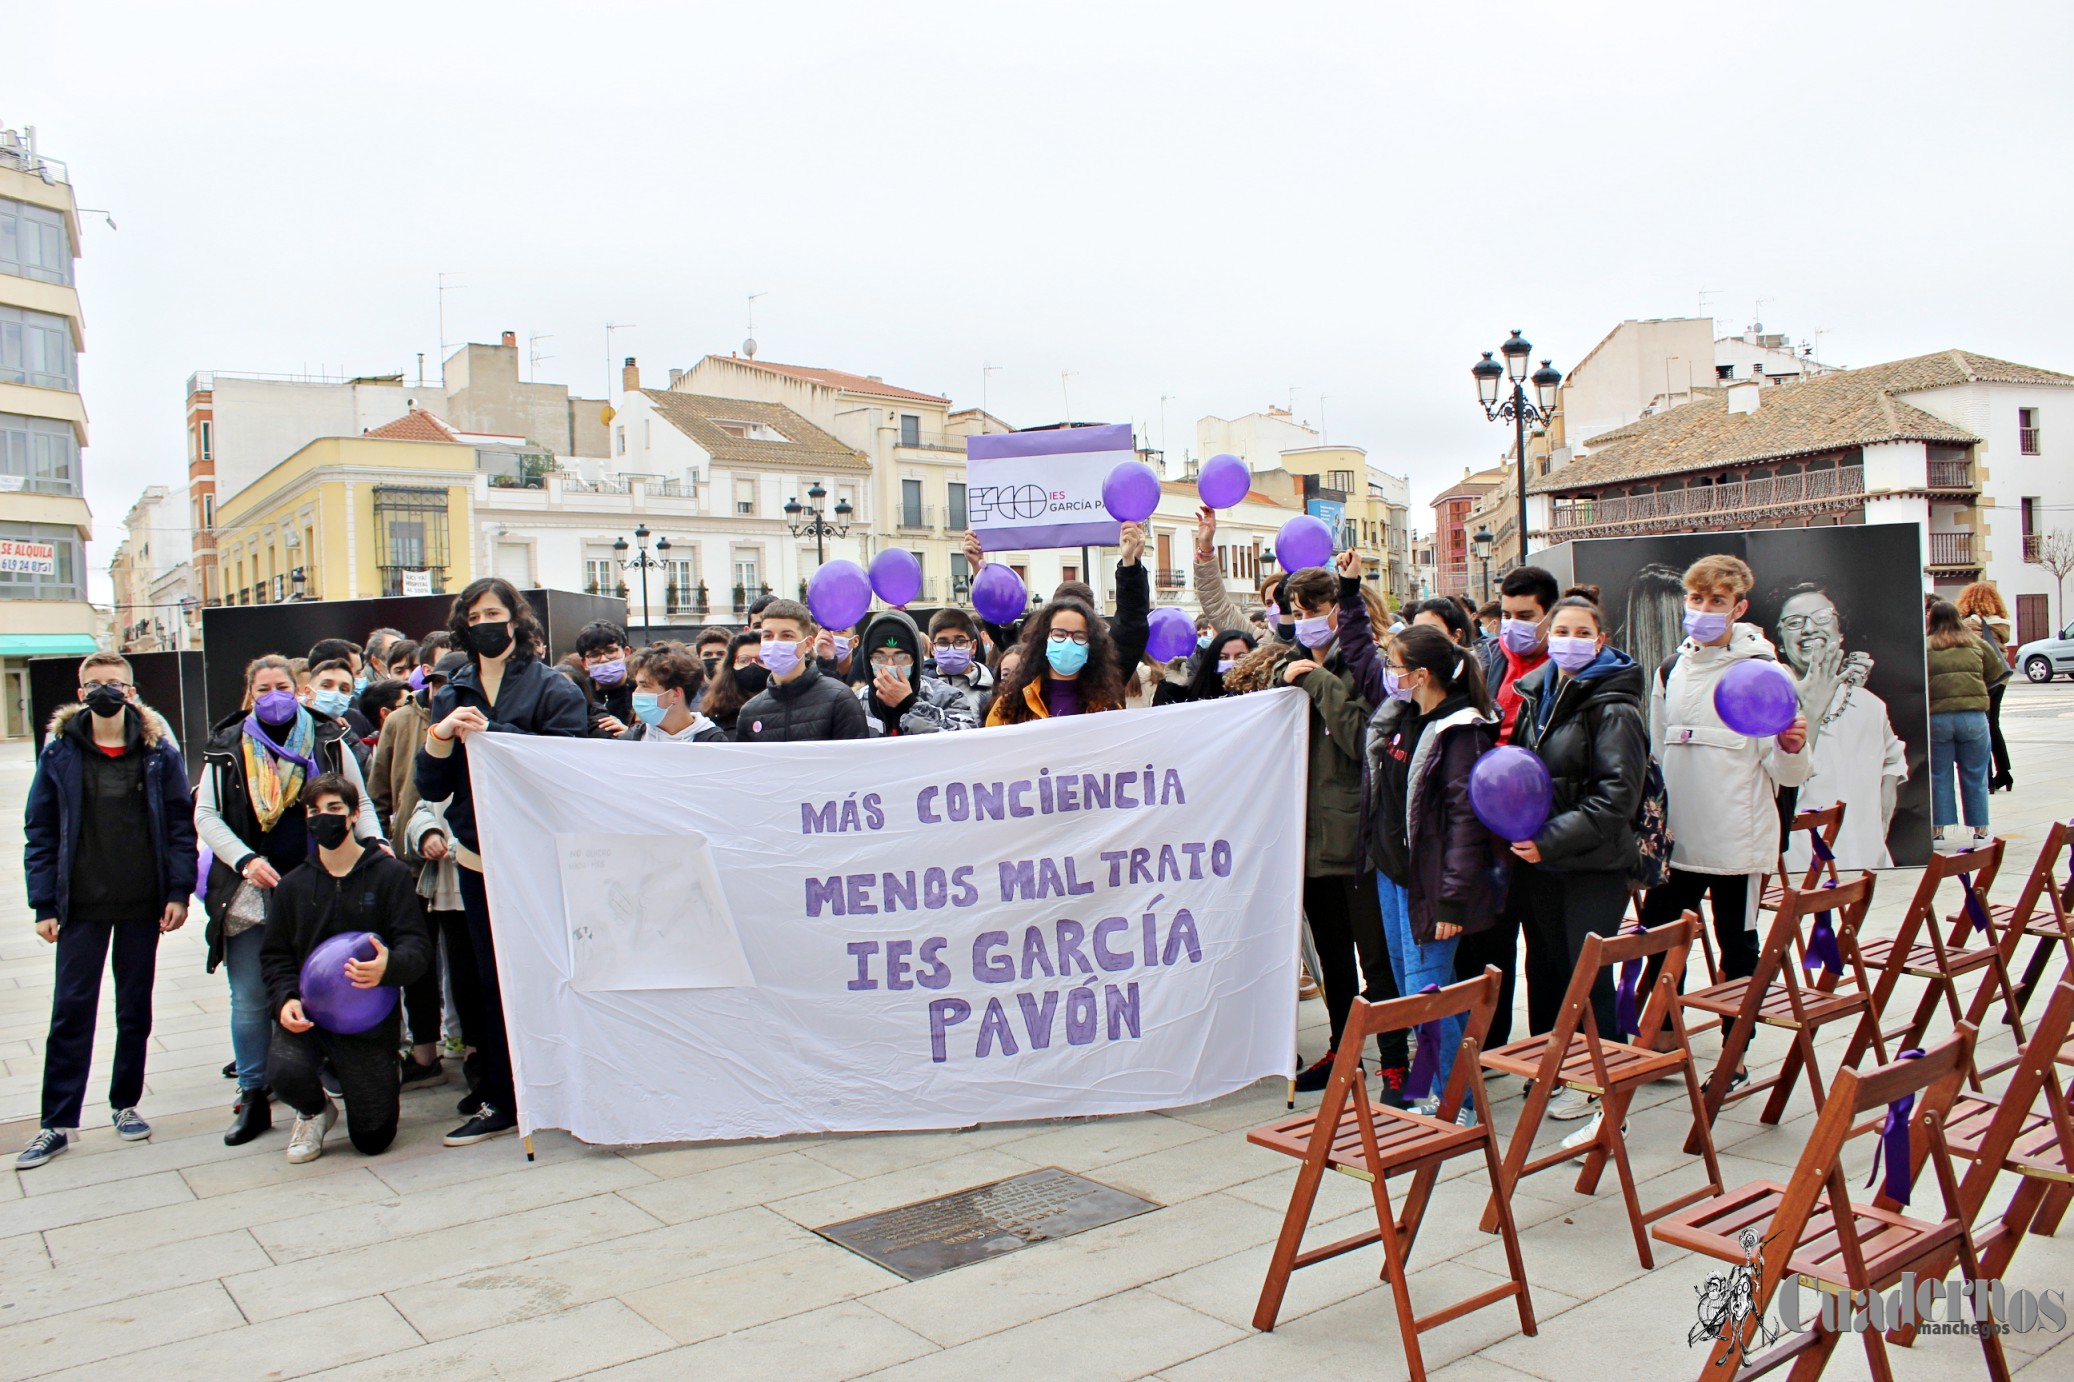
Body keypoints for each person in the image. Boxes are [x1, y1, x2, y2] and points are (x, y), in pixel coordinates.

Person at [416, 578, 590, 1145]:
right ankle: (501, 1095)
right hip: (476, 858)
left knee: (553, 973)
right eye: (474, 614)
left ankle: (567, 1081)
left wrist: (498, 734)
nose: (485, 622)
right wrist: (440, 735)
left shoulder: (553, 688)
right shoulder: (452, 690)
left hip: (539, 858)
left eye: (495, 611)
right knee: (490, 982)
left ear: (515, 620)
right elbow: (432, 781)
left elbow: (564, 768)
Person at [17, 655, 197, 1170]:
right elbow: (41, 831)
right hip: (82, 905)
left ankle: (125, 1103)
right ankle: (56, 1121)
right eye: (95, 684)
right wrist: (43, 903)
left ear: (133, 691)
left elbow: (180, 828)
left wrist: (179, 891)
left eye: (114, 684)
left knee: (133, 1006)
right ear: (79, 692)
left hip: (143, 902)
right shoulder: (60, 752)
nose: (105, 692)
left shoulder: (158, 752)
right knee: (71, 1009)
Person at [196, 654, 383, 1146]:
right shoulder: (226, 744)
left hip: (319, 883)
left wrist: (374, 844)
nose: (273, 694)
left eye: (282, 685)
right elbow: (208, 814)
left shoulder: (328, 738)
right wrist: (243, 861)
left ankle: (320, 1080)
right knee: (251, 997)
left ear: (298, 689)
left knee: (321, 983)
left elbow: (358, 800)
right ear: (249, 694)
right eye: (263, 688)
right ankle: (254, 1093)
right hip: (251, 887)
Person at [1641, 555, 1811, 1076]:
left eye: (1717, 601)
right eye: (1697, 599)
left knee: (1737, 947)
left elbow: (1791, 772)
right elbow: (1657, 752)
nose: (1705, 609)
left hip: (1739, 841)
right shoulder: (1671, 669)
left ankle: (1733, 1051)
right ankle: (1660, 1039)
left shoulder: (1765, 672)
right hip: (1680, 841)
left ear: (1739, 607)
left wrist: (1791, 745)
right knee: (1658, 937)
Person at [1509, 592, 1648, 1135]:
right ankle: (1555, 1066)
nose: (1569, 641)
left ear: (1600, 639)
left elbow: (1618, 797)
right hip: (1539, 860)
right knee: (1544, 965)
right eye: (1560, 631)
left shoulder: (1613, 705)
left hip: (1591, 862)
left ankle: (1599, 1081)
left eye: (1580, 632)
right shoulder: (1536, 692)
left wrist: (1551, 839)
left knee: (1586, 972)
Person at [1269, 561, 1401, 1097]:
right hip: (1310, 841)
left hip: (1359, 841)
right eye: (1297, 614)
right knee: (1333, 963)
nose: (1305, 622)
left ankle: (1395, 1059)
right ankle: (1344, 1053)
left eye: (1315, 611)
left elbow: (1363, 740)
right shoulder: (1292, 667)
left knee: (1376, 960)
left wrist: (1320, 682)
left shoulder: (1365, 668)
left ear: (1340, 610)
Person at [1365, 624, 1506, 1123]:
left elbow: (1467, 825)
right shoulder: (1404, 715)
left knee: (1432, 995)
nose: (1388, 675)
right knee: (1418, 993)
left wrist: (1450, 901)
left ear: (1421, 675)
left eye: (1395, 667)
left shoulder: (1460, 732)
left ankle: (1457, 1102)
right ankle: (1432, 1089)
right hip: (1394, 874)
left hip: (1429, 885)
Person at [262, 774, 433, 1163]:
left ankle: (376, 1076)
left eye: (334, 809)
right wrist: (285, 1000)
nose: (324, 818)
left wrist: (391, 967)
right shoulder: (292, 886)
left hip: (368, 1027)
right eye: (315, 811)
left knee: (373, 1140)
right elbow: (275, 957)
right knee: (285, 1072)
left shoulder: (389, 876)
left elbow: (417, 946)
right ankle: (314, 1111)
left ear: (355, 815)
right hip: (311, 1018)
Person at [1773, 583, 1907, 869]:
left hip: (1867, 861)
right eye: (1794, 622)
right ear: (1781, 642)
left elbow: (1893, 759)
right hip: (1798, 868)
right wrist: (1812, 712)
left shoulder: (1870, 704)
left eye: (1821, 617)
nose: (1808, 629)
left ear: (1839, 632)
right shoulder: (1769, 704)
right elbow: (1786, 776)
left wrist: (1884, 808)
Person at [731, 599, 872, 742]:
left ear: (808, 644)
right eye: (768, 636)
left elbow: (856, 759)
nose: (775, 642)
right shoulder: (750, 712)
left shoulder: (839, 699)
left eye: (787, 636)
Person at [1926, 600, 2000, 846]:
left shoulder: (1925, 648)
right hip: (1973, 717)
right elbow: (1996, 671)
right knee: (1975, 775)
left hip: (1937, 718)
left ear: (1931, 620)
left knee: (1938, 775)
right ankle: (1980, 833)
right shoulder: (1977, 644)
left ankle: (1937, 832)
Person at [856, 611, 984, 735]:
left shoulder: (948, 697)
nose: (890, 666)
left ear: (915, 659)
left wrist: (908, 704)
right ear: (868, 660)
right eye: (880, 657)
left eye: (900, 657)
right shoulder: (856, 703)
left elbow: (962, 741)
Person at [1955, 581, 2015, 793]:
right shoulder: (2000, 624)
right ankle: (2005, 772)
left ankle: (1987, 779)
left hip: (1981, 679)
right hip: (2000, 679)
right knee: (1993, 724)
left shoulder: (1969, 624)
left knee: (1981, 727)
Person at [621, 642, 729, 743]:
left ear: (676, 694)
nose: (636, 692)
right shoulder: (630, 740)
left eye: (645, 686)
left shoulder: (714, 742)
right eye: (637, 685)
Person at [925, 608, 996, 722]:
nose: (951, 649)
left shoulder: (994, 685)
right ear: (932, 648)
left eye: (960, 641)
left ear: (973, 646)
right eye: (943, 642)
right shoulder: (923, 689)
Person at [702, 630, 765, 739]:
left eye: (762, 660)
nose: (753, 665)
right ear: (731, 666)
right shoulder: (715, 717)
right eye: (744, 660)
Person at [576, 620, 634, 737]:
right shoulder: (578, 693)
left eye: (611, 651)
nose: (603, 659)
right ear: (584, 663)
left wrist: (630, 734)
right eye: (594, 655)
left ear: (626, 653)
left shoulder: (642, 690)